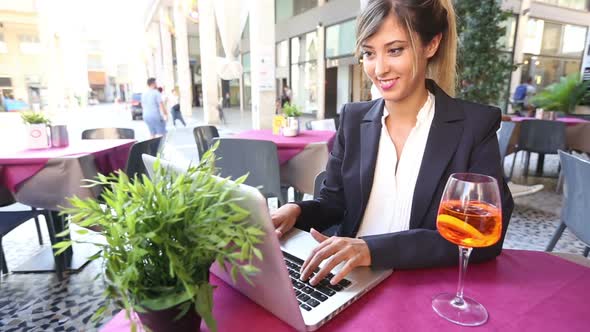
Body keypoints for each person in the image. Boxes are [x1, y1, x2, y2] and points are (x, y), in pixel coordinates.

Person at [271, 0, 514, 287]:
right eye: (369, 53)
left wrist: (372, 250)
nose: (380, 68)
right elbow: (333, 204)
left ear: (431, 45)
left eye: (395, 50)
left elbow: (485, 240)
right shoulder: (353, 119)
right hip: (350, 280)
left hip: (422, 286)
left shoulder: (474, 126)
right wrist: (297, 211)